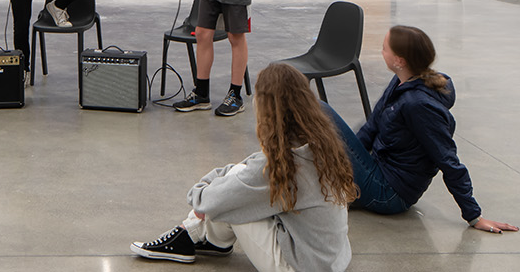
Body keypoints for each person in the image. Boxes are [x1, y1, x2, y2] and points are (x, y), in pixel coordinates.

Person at [131, 62, 356, 270]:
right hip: (333, 259)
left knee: (230, 200)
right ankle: (206, 238)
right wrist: (226, 179)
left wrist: (203, 194)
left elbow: (209, 200)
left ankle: (189, 235)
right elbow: (251, 167)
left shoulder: (281, 165)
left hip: (301, 267)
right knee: (238, 182)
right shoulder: (318, 144)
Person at [322, 25, 520, 234]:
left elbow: (448, 160)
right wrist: (347, 164)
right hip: (376, 168)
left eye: (384, 48)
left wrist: (474, 215)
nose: (381, 53)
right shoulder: (400, 81)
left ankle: (339, 190)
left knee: (319, 110)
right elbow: (371, 127)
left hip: (389, 193)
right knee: (320, 123)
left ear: (399, 60)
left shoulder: (418, 106)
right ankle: (339, 188)